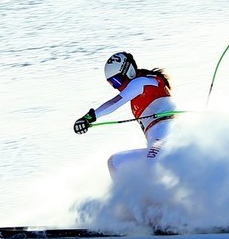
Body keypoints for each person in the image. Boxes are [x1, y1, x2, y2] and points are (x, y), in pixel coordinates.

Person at [73, 51, 176, 179]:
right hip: (155, 140)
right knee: (115, 162)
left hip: (167, 131)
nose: (116, 86)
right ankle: (129, 192)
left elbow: (114, 103)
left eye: (117, 81)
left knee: (150, 167)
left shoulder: (141, 82)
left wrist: (89, 117)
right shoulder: (140, 88)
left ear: (128, 71)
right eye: (112, 83)